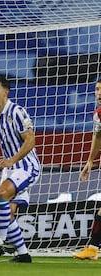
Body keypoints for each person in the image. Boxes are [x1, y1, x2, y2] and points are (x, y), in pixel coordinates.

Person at [0, 76, 41, 263]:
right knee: (8, 213)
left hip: (27, 166)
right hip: (10, 170)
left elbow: (31, 140)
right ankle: (23, 254)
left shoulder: (17, 112)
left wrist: (12, 159)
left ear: (6, 91)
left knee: (1, 193)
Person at [72, 79, 101, 260]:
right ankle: (92, 247)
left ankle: (93, 247)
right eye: (97, 89)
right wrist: (90, 161)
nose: (99, 93)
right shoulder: (98, 114)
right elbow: (98, 136)